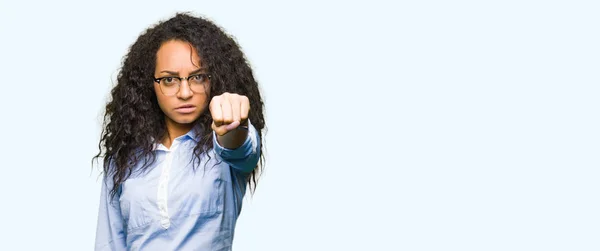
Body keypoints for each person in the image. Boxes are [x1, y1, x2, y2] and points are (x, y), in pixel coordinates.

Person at [93, 12, 265, 250]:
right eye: (169, 80)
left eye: (197, 77)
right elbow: (109, 243)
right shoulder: (123, 159)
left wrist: (234, 123)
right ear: (149, 84)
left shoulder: (222, 150)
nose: (185, 92)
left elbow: (239, 147)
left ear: (214, 79)